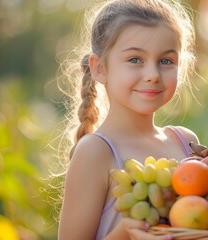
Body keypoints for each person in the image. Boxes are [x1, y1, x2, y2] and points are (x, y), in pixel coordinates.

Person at [57, 0, 199, 239]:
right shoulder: (95, 152)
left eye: (166, 61)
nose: (153, 75)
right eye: (135, 59)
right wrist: (125, 232)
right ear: (100, 68)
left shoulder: (185, 141)